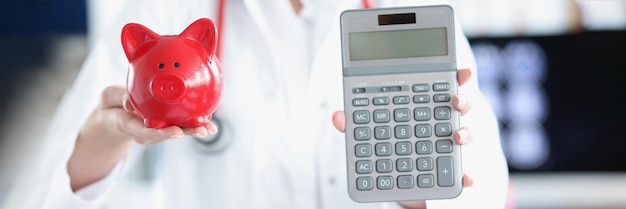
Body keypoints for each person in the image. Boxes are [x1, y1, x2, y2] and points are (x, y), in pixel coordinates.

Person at [2, 0, 510, 208]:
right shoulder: (164, 10)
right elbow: (35, 197)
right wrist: (106, 134)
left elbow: (488, 190)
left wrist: (418, 192)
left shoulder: (411, 10)